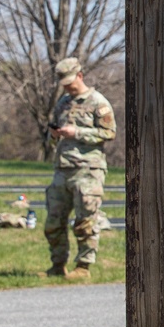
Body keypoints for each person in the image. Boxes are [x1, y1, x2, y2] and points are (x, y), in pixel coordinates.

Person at [44, 57, 116, 279]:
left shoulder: (97, 102)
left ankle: (83, 267)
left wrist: (78, 132)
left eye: (70, 82)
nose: (67, 87)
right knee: (53, 222)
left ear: (80, 76)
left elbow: (109, 133)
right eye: (64, 84)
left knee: (85, 222)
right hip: (63, 168)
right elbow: (53, 138)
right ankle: (57, 266)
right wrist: (54, 135)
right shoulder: (63, 103)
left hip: (88, 170)